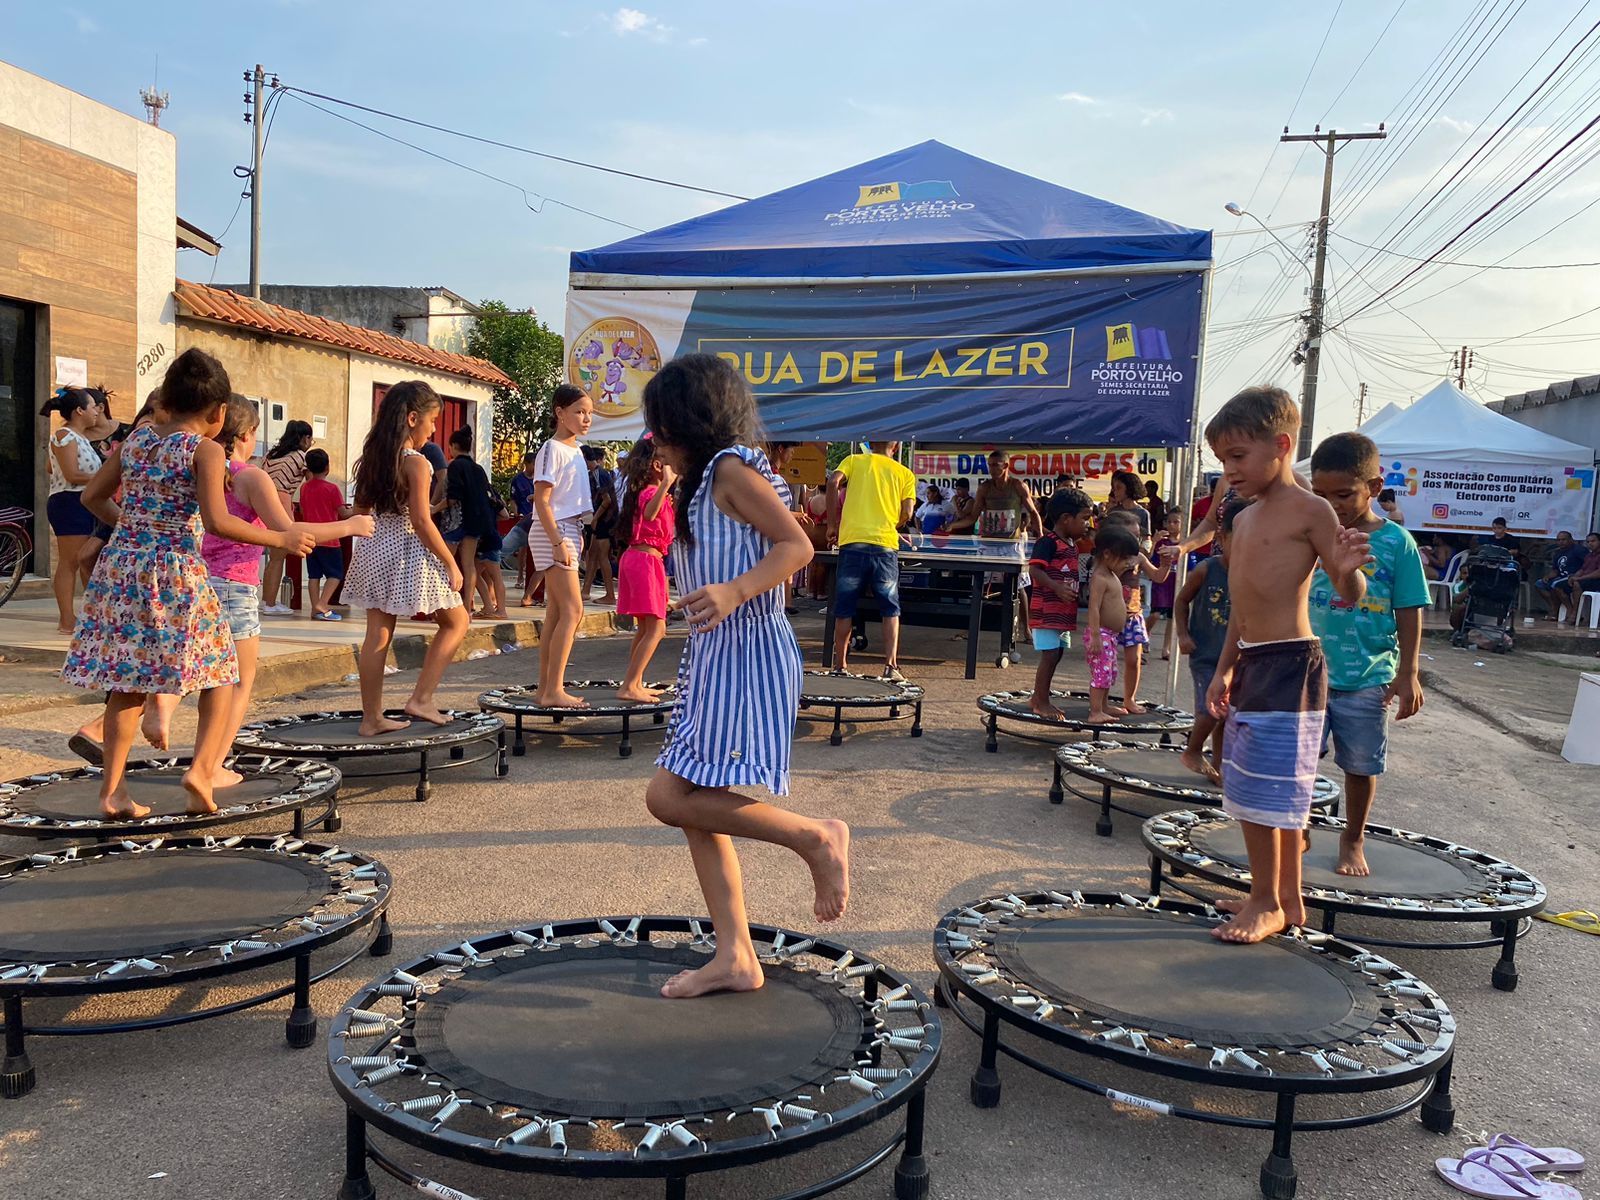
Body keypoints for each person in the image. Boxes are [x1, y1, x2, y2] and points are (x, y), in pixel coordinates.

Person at [638, 354, 844, 1000]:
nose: (656, 440)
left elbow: (797, 546)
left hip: (745, 657)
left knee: (669, 798)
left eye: (663, 426)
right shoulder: (702, 481)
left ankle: (814, 836)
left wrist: (732, 591)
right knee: (697, 810)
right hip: (715, 657)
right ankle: (735, 955)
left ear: (691, 422)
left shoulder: (731, 469)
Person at [62, 349, 314, 818]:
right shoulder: (206, 449)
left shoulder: (135, 441)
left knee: (127, 678)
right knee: (221, 666)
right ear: (219, 414)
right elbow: (217, 522)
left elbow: (91, 496)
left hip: (123, 568)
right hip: (176, 568)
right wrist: (278, 536)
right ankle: (201, 770)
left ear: (165, 401)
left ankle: (112, 792)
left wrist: (131, 529)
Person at [1203, 386, 1372, 944]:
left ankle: (1266, 900)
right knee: (1254, 781)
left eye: (1237, 457)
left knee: (1265, 791)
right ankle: (1286, 899)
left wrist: (1347, 569)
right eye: (1223, 460)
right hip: (1254, 661)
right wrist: (1226, 669)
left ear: (1281, 445)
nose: (1229, 470)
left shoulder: (1311, 509)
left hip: (1291, 663)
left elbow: (1348, 586)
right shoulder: (1246, 519)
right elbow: (1241, 612)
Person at [201, 398, 371, 785]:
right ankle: (210, 767)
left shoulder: (205, 470)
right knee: (240, 683)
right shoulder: (248, 476)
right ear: (249, 434)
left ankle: (204, 760)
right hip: (234, 585)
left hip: (199, 581)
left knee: (210, 682)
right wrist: (352, 526)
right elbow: (292, 532)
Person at [1307, 433, 1429, 876]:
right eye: (1320, 495)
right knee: (1298, 760)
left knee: (1360, 765)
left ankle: (1352, 837)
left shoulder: (1398, 543)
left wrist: (1409, 672)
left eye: (1343, 494)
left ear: (1374, 488)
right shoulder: (1314, 532)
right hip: (1309, 671)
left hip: (1368, 676)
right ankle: (1297, 825)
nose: (1332, 504)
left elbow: (1410, 608)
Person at [342, 381, 469, 734]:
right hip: (406, 550)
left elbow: (360, 510)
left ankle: (371, 718)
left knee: (378, 635)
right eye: (431, 420)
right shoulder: (417, 462)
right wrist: (450, 561)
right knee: (457, 621)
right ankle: (422, 698)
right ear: (413, 418)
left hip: (372, 547)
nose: (433, 428)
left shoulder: (374, 459)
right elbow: (421, 520)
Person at [825, 441, 917, 680]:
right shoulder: (904, 474)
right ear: (895, 447)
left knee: (844, 607)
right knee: (890, 607)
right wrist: (891, 524)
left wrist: (833, 525)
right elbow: (907, 512)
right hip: (885, 546)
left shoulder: (854, 461)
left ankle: (840, 665)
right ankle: (890, 665)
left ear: (870, 443)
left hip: (852, 543)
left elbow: (833, 481)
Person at [529, 385, 595, 708]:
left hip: (567, 529)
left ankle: (546, 689)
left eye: (589, 413)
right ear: (560, 413)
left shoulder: (576, 450)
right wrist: (557, 541)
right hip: (554, 530)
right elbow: (542, 500)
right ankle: (553, 689)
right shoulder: (552, 449)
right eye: (579, 412)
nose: (585, 419)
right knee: (573, 609)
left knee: (557, 612)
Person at [1175, 499, 1245, 782]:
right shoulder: (1207, 569)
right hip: (1205, 655)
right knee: (1211, 711)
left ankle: (1218, 766)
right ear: (1221, 537)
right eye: (1237, 541)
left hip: (1236, 658)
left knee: (1225, 715)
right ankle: (1193, 750)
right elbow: (1181, 601)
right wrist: (1182, 633)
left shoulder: (1251, 574)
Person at [615, 435, 676, 702]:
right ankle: (629, 684)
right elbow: (650, 514)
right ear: (656, 465)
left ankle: (635, 682)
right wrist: (665, 486)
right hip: (645, 561)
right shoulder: (651, 491)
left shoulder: (646, 491)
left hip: (643, 560)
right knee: (657, 629)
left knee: (645, 628)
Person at [41, 387, 106, 632]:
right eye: (92, 407)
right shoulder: (63, 435)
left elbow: (51, 466)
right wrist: (104, 478)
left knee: (85, 558)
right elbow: (70, 473)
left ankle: (85, 615)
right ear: (79, 411)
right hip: (69, 501)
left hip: (82, 502)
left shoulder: (79, 439)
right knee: (70, 561)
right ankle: (67, 619)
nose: (97, 412)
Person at [1099, 508, 1176, 712]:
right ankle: (1103, 703)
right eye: (1130, 536)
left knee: (1133, 660)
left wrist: (1166, 565)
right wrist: (1120, 566)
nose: (1135, 541)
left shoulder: (1139, 557)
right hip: (1109, 617)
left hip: (1133, 616)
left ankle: (1129, 698)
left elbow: (1158, 577)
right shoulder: (1107, 558)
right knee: (1107, 662)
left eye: (1137, 536)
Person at [1026, 488, 1093, 719]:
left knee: (1059, 653)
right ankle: (1040, 702)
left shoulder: (1072, 544)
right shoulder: (1048, 542)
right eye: (1084, 518)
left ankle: (1038, 696)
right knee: (1050, 654)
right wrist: (1056, 587)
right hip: (1047, 611)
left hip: (1062, 613)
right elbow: (1034, 569)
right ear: (1066, 518)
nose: (1088, 523)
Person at [443, 427, 505, 618]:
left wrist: (433, 508)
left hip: (456, 522)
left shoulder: (454, 466)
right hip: (477, 523)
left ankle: (442, 606)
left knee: (444, 562)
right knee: (469, 565)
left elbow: (453, 497)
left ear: (454, 446)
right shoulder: (479, 469)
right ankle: (466, 609)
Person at [1084, 524, 1141, 724]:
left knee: (1109, 672)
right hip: (1101, 633)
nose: (1128, 563)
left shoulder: (1111, 574)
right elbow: (1093, 607)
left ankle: (1104, 705)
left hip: (1110, 634)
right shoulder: (1100, 577)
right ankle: (1095, 711)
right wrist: (1096, 636)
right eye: (1124, 559)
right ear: (1107, 554)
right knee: (1101, 673)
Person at [260, 420, 314, 615]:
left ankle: (267, 600)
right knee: (278, 557)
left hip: (264, 503)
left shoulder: (271, 455)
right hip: (282, 505)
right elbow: (311, 483)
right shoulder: (301, 457)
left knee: (272, 557)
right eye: (310, 439)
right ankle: (269, 603)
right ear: (304, 438)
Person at [297, 448, 352, 620]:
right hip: (330, 539)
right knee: (335, 574)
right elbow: (343, 513)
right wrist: (358, 511)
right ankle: (322, 603)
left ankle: (315, 608)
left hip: (311, 537)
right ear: (327, 467)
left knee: (314, 575)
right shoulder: (332, 489)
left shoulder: (305, 488)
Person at [950, 452, 1041, 539]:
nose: (991, 470)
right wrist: (952, 525)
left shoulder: (1018, 486)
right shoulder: (984, 488)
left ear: (1005, 466)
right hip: (989, 542)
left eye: (995, 465)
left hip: (1012, 543)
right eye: (989, 465)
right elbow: (973, 517)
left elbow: (1033, 512)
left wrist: (1040, 534)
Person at [581, 445, 618, 606]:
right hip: (601, 518)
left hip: (606, 519)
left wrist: (595, 518)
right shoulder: (593, 474)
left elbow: (607, 500)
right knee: (593, 554)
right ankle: (586, 590)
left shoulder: (599, 474)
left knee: (602, 556)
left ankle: (610, 594)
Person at [504, 451, 538, 604]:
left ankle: (528, 590)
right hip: (524, 519)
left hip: (534, 521)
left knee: (536, 558)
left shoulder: (539, 480)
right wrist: (516, 512)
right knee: (520, 550)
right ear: (527, 463)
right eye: (533, 464)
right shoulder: (517, 480)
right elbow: (513, 499)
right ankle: (520, 577)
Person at [1149, 509, 1184, 659]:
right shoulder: (1162, 542)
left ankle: (1166, 648)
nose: (1172, 525)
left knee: (1172, 617)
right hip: (1161, 583)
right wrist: (1154, 542)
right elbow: (1150, 559)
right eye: (1169, 522)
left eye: (1176, 522)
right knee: (1155, 614)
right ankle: (1144, 636)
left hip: (1176, 584)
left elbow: (1190, 566)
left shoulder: (1185, 544)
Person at [1530, 530, 1583, 619]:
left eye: (1563, 540)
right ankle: (1554, 607)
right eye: (1558, 540)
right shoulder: (1558, 553)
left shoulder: (1578, 550)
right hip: (1561, 576)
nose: (1560, 542)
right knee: (1539, 584)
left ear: (1571, 540)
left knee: (1555, 584)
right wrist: (1548, 576)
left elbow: (1586, 565)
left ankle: (1569, 610)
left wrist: (1576, 575)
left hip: (1572, 577)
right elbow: (1556, 570)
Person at [1557, 532, 1600, 623]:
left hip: (1596, 581)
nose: (1590, 544)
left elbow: (1598, 573)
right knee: (1559, 586)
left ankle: (1575, 614)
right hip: (1586, 580)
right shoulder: (1589, 556)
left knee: (1577, 584)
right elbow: (1583, 569)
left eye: (1593, 541)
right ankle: (1570, 610)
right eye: (1588, 542)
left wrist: (1579, 578)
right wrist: (1574, 576)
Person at [1105, 470, 1152, 543]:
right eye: (1114, 489)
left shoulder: (1143, 513)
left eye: (1119, 488)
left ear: (1129, 488)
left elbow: (1146, 540)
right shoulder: (1112, 512)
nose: (1115, 492)